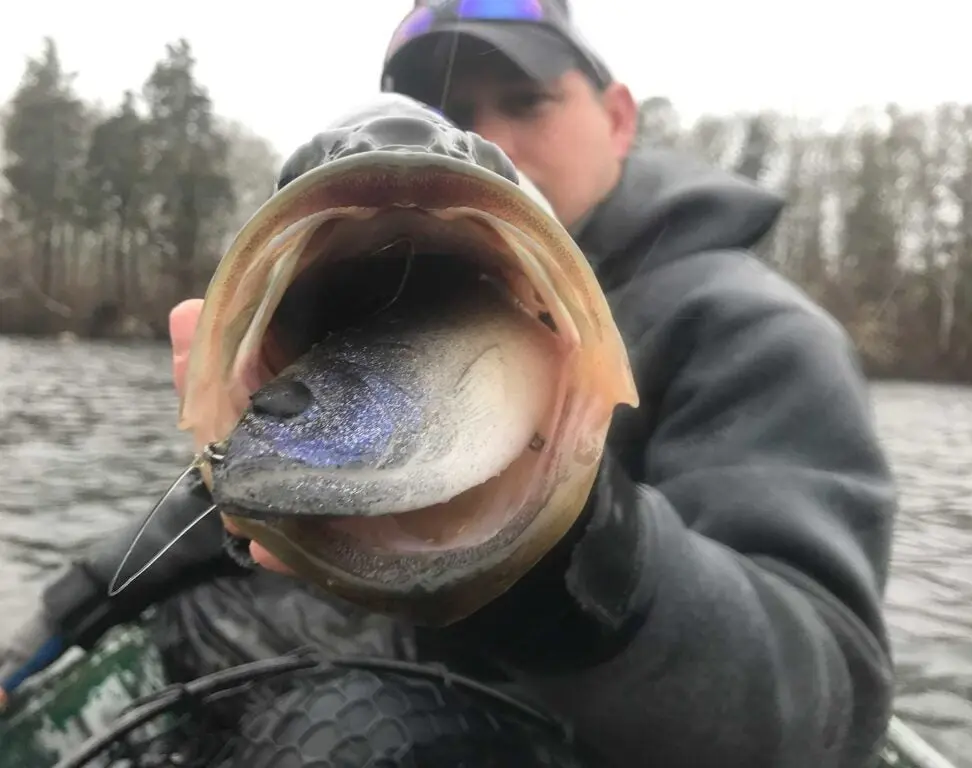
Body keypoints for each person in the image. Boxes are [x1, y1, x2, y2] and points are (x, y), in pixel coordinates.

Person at [2, 2, 898, 766]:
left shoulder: (751, 333)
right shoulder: (361, 303)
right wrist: (45, 621)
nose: (482, 138)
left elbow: (831, 707)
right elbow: (210, 504)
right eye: (441, 107)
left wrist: (567, 559)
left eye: (524, 102)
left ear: (619, 117)